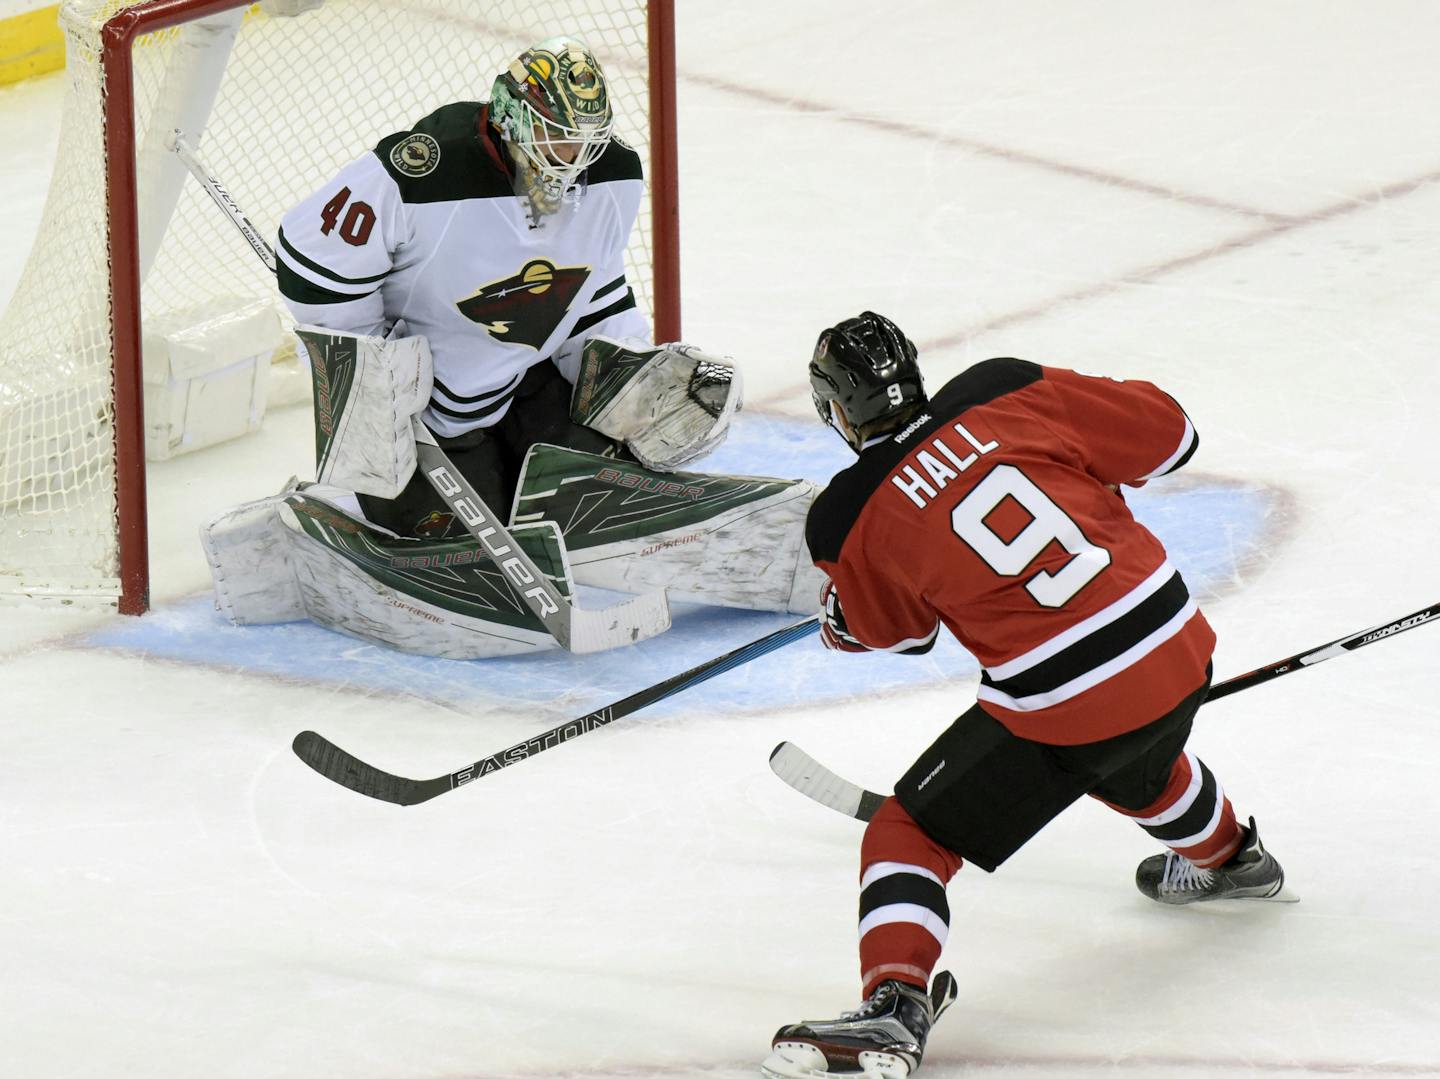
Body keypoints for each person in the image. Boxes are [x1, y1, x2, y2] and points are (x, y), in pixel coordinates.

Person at [761, 312, 1291, 1079]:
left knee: (909, 832)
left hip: (1069, 697)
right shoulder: (1001, 387)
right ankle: (1233, 857)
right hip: (1178, 639)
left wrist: (843, 622)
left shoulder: (845, 513)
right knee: (1128, 756)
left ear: (836, 410)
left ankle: (893, 1008)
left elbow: (902, 635)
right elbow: (1171, 435)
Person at [275, 35, 672, 539]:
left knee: (586, 506)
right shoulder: (427, 172)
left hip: (526, 384)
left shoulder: (614, 176)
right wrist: (375, 372)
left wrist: (630, 370)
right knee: (447, 534)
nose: (575, 156)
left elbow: (591, 290)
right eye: (557, 135)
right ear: (512, 117)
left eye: (585, 138)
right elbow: (312, 259)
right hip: (427, 419)